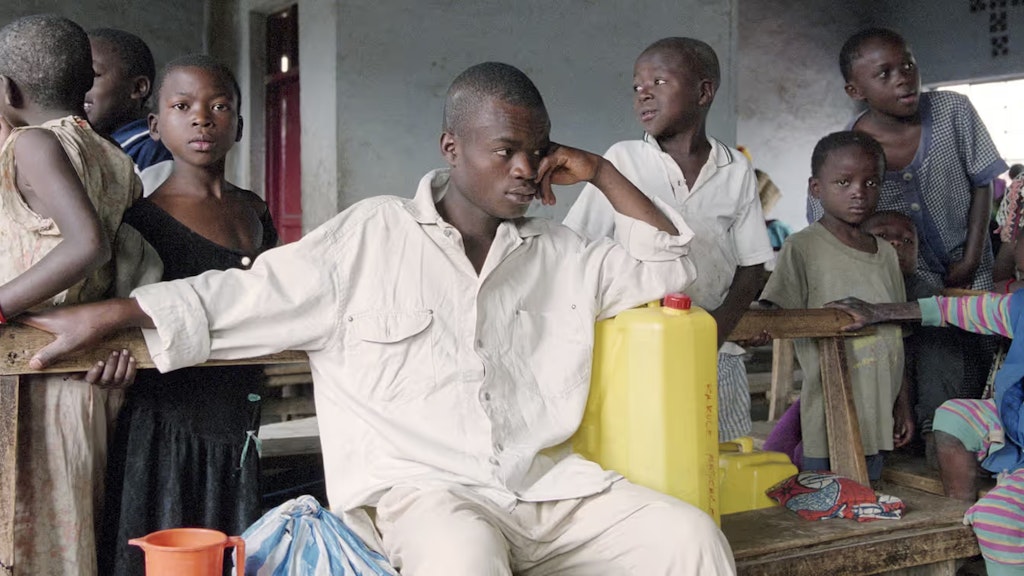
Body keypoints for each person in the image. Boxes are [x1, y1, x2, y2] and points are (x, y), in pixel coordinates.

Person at [21, 62, 735, 576]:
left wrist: (607, 175)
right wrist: (111, 314)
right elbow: (241, 296)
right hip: (429, 497)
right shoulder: (371, 237)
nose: (526, 168)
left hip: (545, 488)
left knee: (689, 538)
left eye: (537, 151)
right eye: (506, 150)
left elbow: (682, 271)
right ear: (452, 150)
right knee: (463, 562)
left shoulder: (564, 253)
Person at [98, 55, 279, 576]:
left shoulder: (254, 210)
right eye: (182, 107)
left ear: (239, 126)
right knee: (169, 552)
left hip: (240, 419)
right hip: (165, 425)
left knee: (231, 552)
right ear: (156, 126)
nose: (203, 118)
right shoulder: (141, 218)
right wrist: (113, 358)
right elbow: (124, 309)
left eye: (219, 106)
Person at [563, 37, 774, 442]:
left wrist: (717, 329)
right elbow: (577, 246)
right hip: (636, 346)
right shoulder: (621, 161)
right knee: (645, 451)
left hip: (715, 347)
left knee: (719, 453)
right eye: (637, 86)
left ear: (703, 91)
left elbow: (753, 264)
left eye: (658, 81)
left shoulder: (735, 170)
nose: (643, 93)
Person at [0, 14, 141, 575]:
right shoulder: (114, 157)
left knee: (25, 536)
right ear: (86, 83)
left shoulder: (33, 144)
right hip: (78, 380)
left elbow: (87, 245)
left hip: (34, 372)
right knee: (64, 539)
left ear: (7, 89)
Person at [829, 293, 1024, 576]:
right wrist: (877, 311)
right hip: (1015, 423)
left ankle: (996, 541)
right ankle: (959, 529)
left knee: (997, 518)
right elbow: (952, 309)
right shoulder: (1020, 307)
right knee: (952, 417)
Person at [760, 131, 913, 482]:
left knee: (864, 499)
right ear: (817, 189)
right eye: (843, 182)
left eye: (870, 182)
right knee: (824, 499)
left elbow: (896, 337)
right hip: (828, 411)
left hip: (879, 414)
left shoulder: (887, 254)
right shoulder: (803, 247)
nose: (858, 191)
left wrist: (902, 405)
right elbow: (776, 312)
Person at [806, 28, 1007, 293]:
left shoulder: (952, 111)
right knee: (923, 333)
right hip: (900, 287)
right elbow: (830, 227)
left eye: (908, 65)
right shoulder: (844, 154)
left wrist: (971, 260)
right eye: (884, 73)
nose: (903, 79)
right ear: (855, 91)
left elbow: (983, 183)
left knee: (982, 329)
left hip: (973, 271)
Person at [861, 210, 990, 467]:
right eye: (883, 236)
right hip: (887, 396)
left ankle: (935, 433)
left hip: (937, 396)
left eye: (907, 241)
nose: (896, 243)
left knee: (938, 336)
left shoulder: (924, 293)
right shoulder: (854, 287)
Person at [85, 28, 173, 195]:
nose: (79, 85)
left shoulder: (152, 150)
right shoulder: (84, 143)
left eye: (93, 75)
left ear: (138, 87)